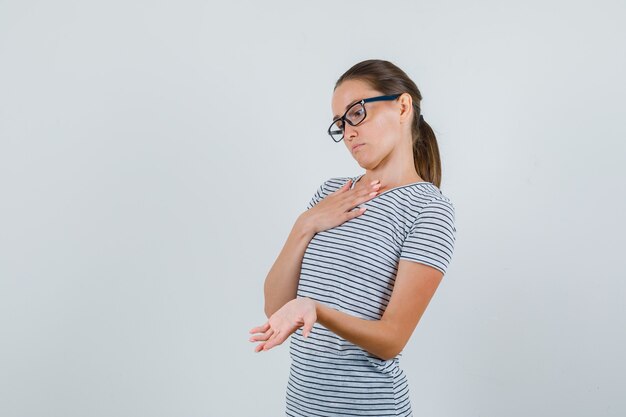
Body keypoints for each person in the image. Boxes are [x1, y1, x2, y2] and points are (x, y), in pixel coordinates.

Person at [249, 59, 457, 417]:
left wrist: (316, 310)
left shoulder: (429, 209)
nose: (348, 132)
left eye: (357, 113)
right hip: (302, 408)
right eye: (340, 123)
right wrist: (305, 223)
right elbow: (275, 307)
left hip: (371, 409)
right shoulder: (330, 194)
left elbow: (391, 340)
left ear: (403, 106)